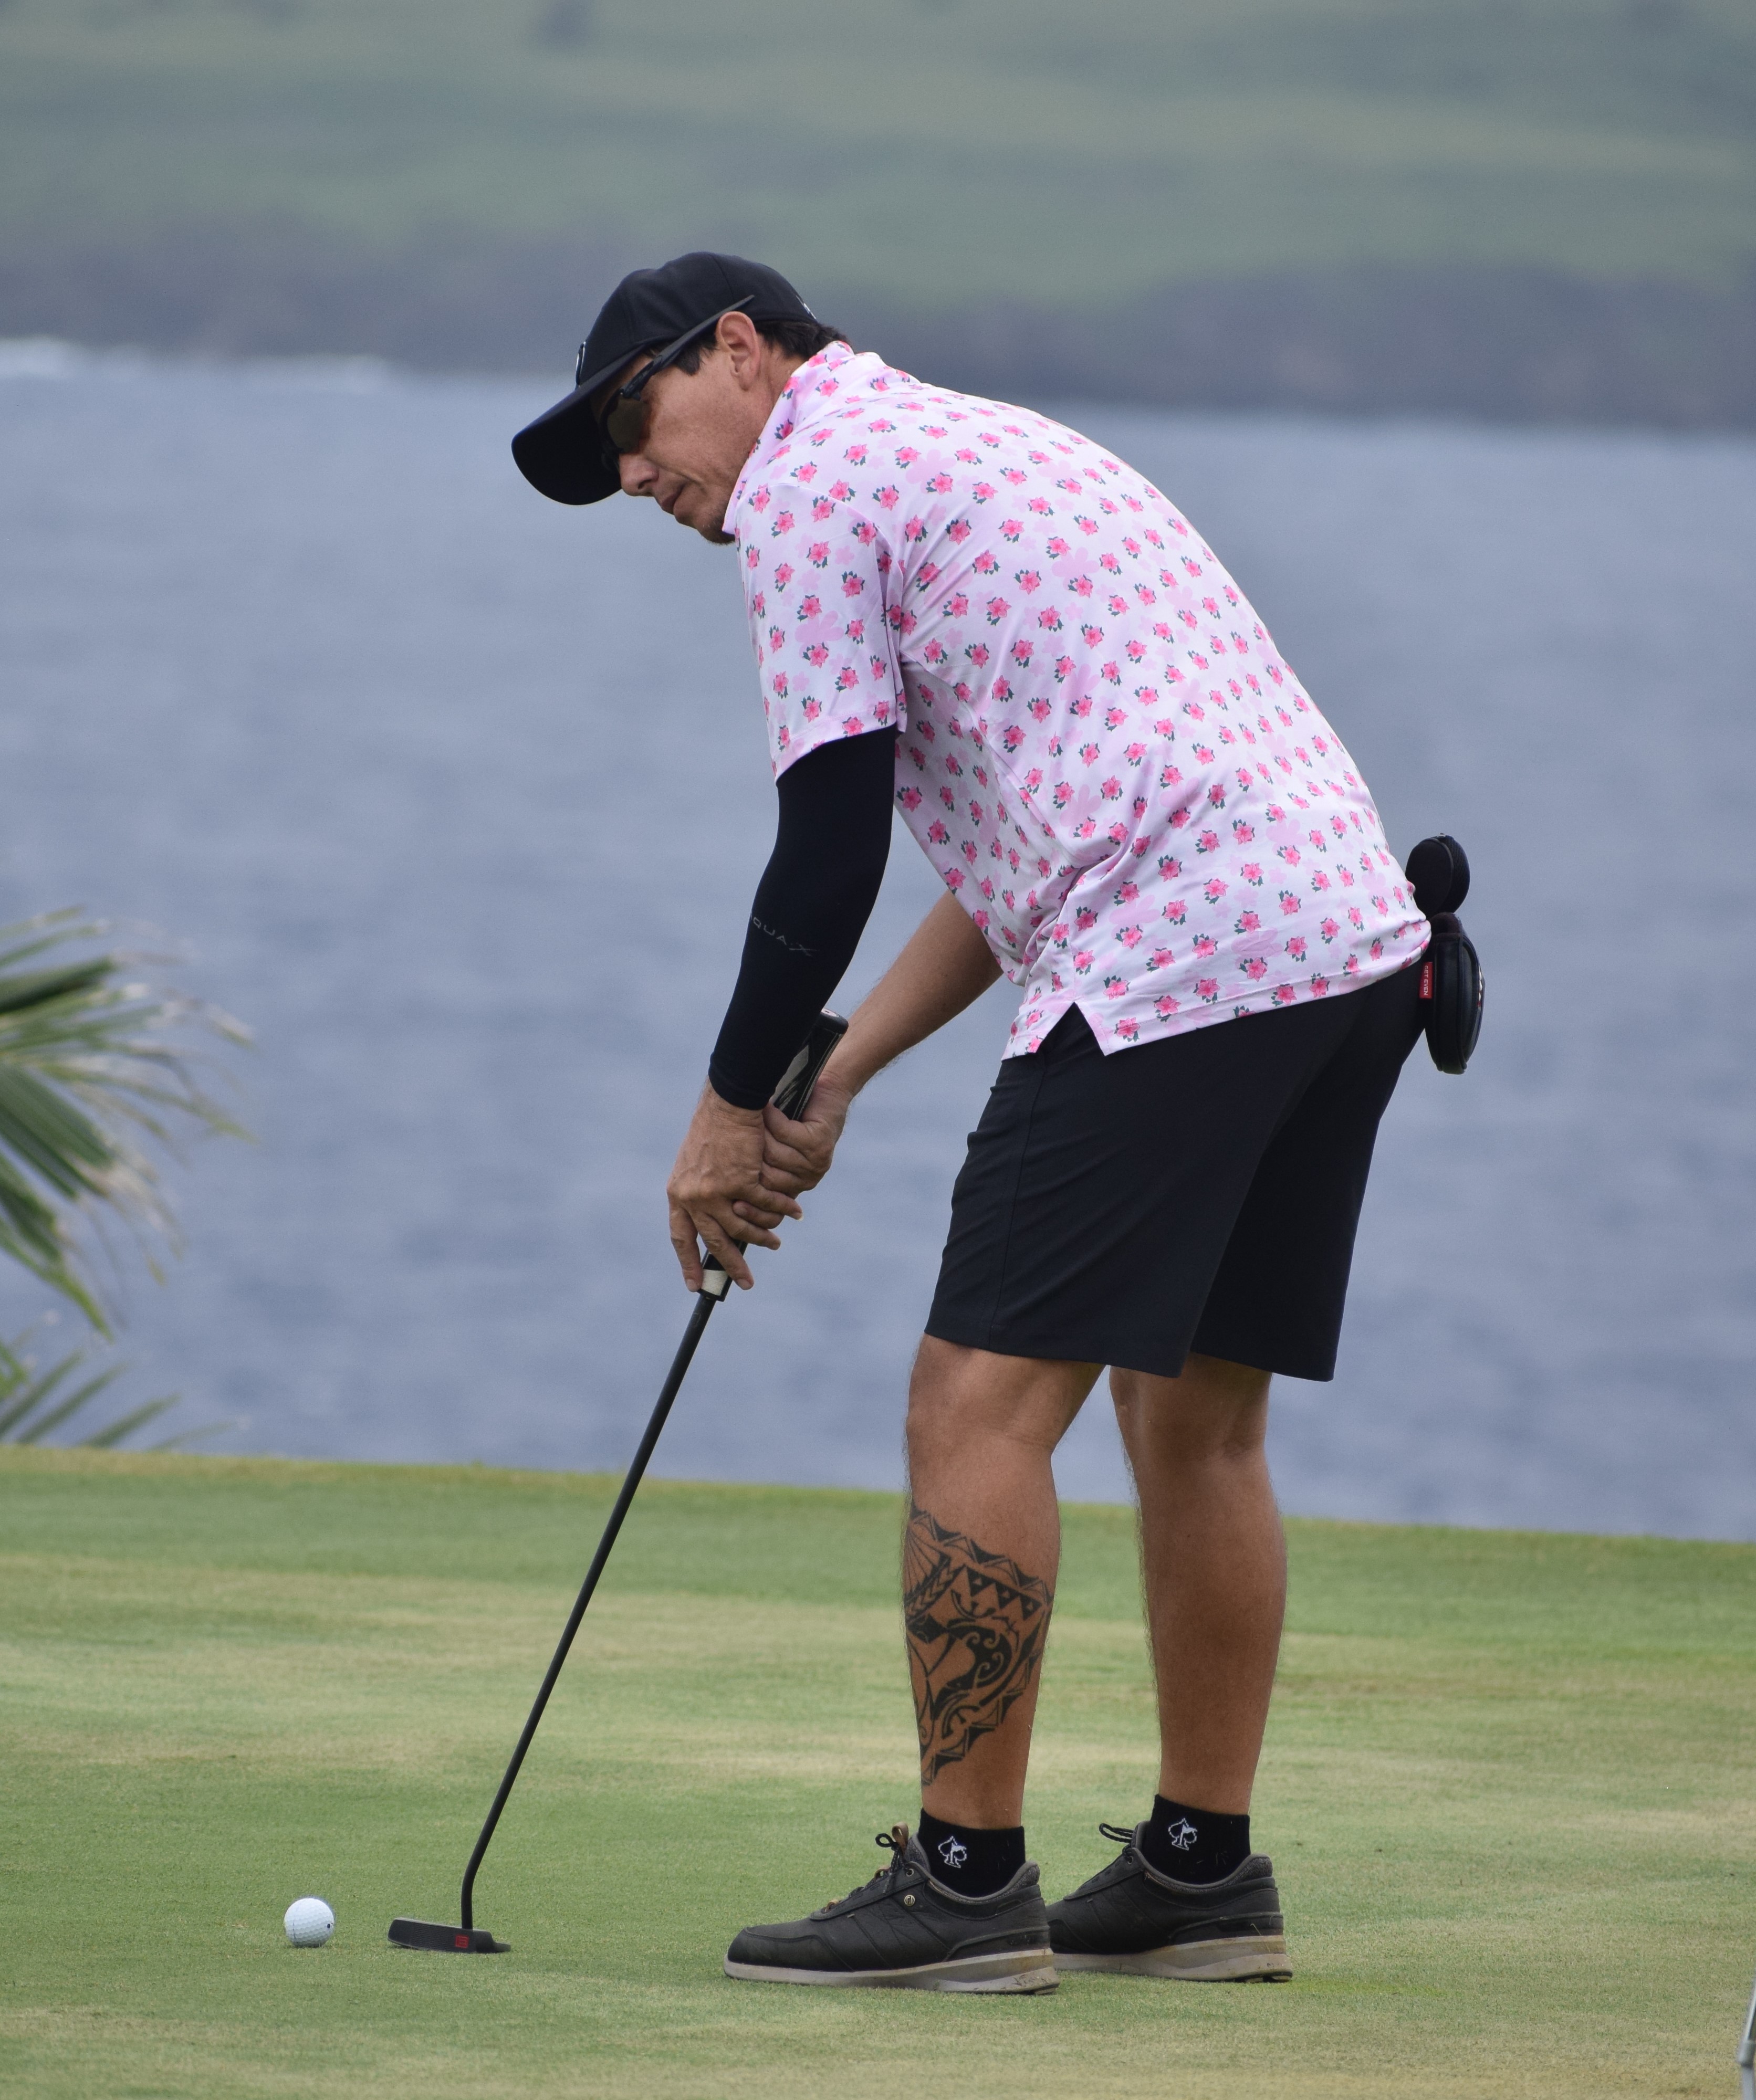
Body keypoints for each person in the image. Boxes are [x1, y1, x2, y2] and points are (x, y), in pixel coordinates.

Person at [513, 253, 1430, 1994]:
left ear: (740, 348)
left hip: (1178, 953)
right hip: (1344, 947)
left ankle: (964, 1883)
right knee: (1194, 1421)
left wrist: (724, 1112)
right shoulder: (981, 446)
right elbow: (1020, 852)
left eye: (635, 417)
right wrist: (836, 1071)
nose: (632, 473)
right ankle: (1201, 1873)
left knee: (974, 1403)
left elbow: (827, 850)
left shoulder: (807, 486)